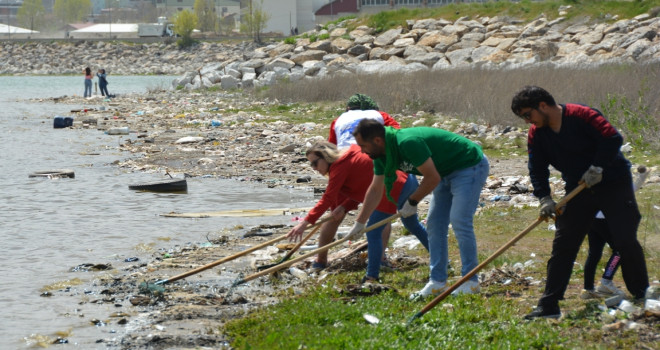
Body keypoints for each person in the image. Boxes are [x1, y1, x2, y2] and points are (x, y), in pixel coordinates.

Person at [510, 85, 649, 319]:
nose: (527, 122)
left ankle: (642, 295)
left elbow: (612, 138)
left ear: (542, 106)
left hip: (613, 181)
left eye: (527, 115)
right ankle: (549, 305)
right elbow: (537, 167)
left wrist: (598, 166)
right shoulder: (537, 133)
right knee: (564, 243)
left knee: (624, 239)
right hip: (578, 187)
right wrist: (544, 197)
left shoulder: (582, 115)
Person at [350, 119, 489, 298]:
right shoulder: (382, 155)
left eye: (363, 145)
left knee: (459, 220)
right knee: (434, 225)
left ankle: (471, 281)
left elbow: (432, 178)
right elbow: (376, 189)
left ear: (377, 141)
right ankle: (437, 282)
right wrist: (360, 223)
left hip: (468, 165)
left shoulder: (408, 143)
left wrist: (412, 201)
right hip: (443, 172)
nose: (361, 150)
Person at [286, 141, 429, 283]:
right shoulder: (348, 157)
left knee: (373, 232)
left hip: (394, 187)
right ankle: (442, 260)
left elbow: (328, 198)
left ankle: (371, 277)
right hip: (407, 181)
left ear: (325, 156)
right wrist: (344, 207)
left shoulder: (340, 166)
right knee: (412, 225)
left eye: (315, 163)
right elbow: (363, 186)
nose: (314, 168)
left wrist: (304, 224)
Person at [328, 93, 401, 267]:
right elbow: (396, 137)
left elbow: (331, 150)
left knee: (336, 213)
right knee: (382, 210)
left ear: (348, 109)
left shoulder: (339, 120)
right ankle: (381, 259)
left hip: (344, 166)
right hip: (373, 162)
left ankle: (320, 259)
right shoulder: (381, 116)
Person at [581, 167, 647, 299]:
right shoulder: (613, 181)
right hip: (605, 220)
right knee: (620, 250)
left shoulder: (593, 177)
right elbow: (630, 190)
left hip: (592, 218)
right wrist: (643, 176)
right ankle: (606, 281)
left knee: (594, 253)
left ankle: (588, 289)